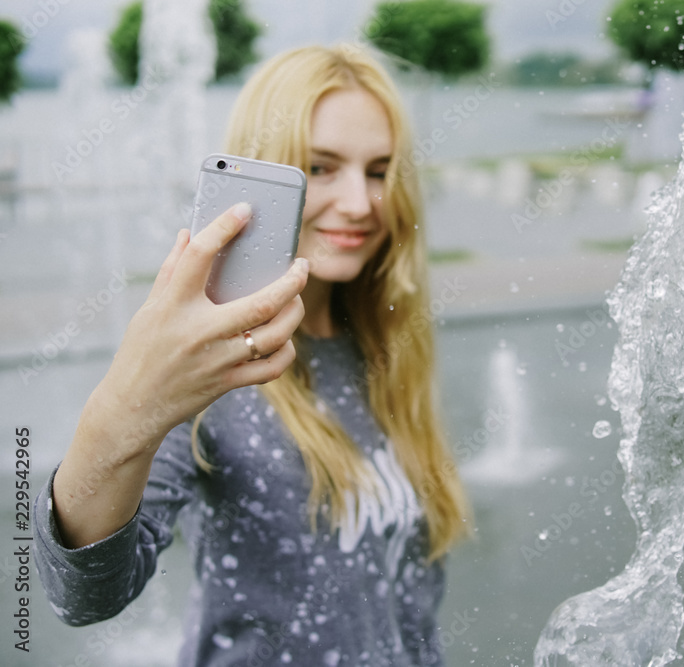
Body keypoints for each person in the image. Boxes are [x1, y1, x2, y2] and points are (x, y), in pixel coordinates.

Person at [33, 43, 470, 667]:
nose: (359, 202)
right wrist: (128, 403)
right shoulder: (217, 369)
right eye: (320, 168)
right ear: (262, 174)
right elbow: (81, 595)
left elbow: (410, 612)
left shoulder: (388, 350)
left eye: (378, 171)